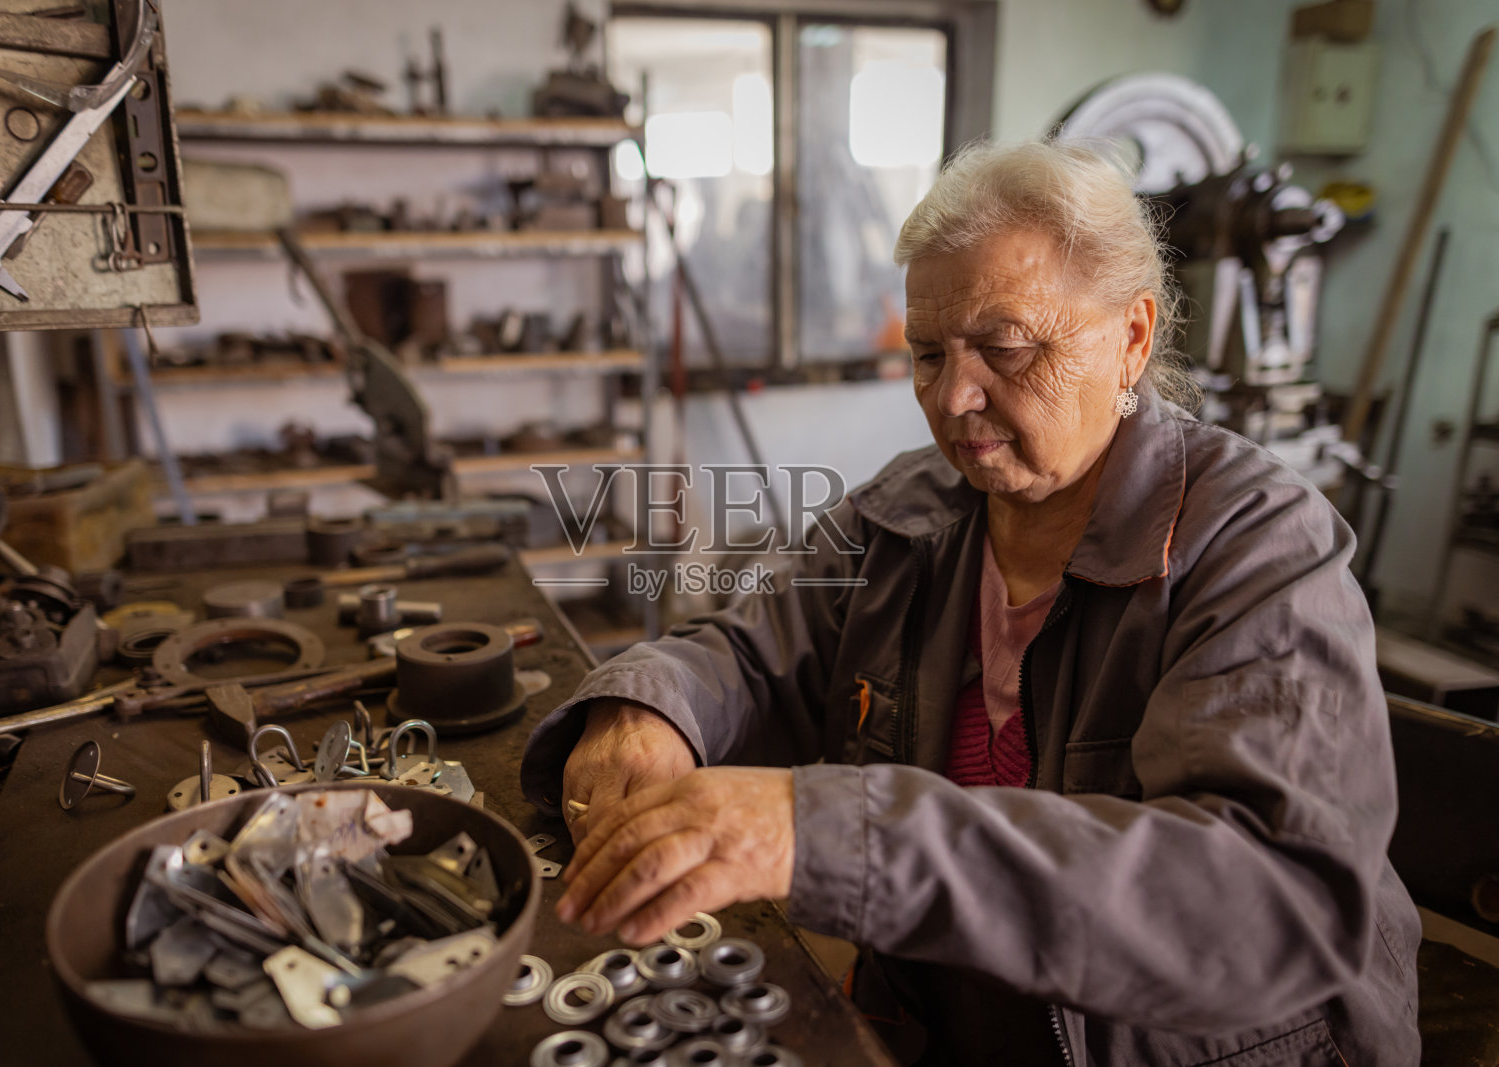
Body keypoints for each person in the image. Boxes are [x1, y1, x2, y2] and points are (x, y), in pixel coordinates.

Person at [520, 140, 1420, 1065]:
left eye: (1006, 346)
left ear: (1133, 337)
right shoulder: (905, 515)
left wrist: (832, 832)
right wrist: (647, 707)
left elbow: (1262, 903)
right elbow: (751, 651)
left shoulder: (1260, 545)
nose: (954, 395)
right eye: (927, 352)